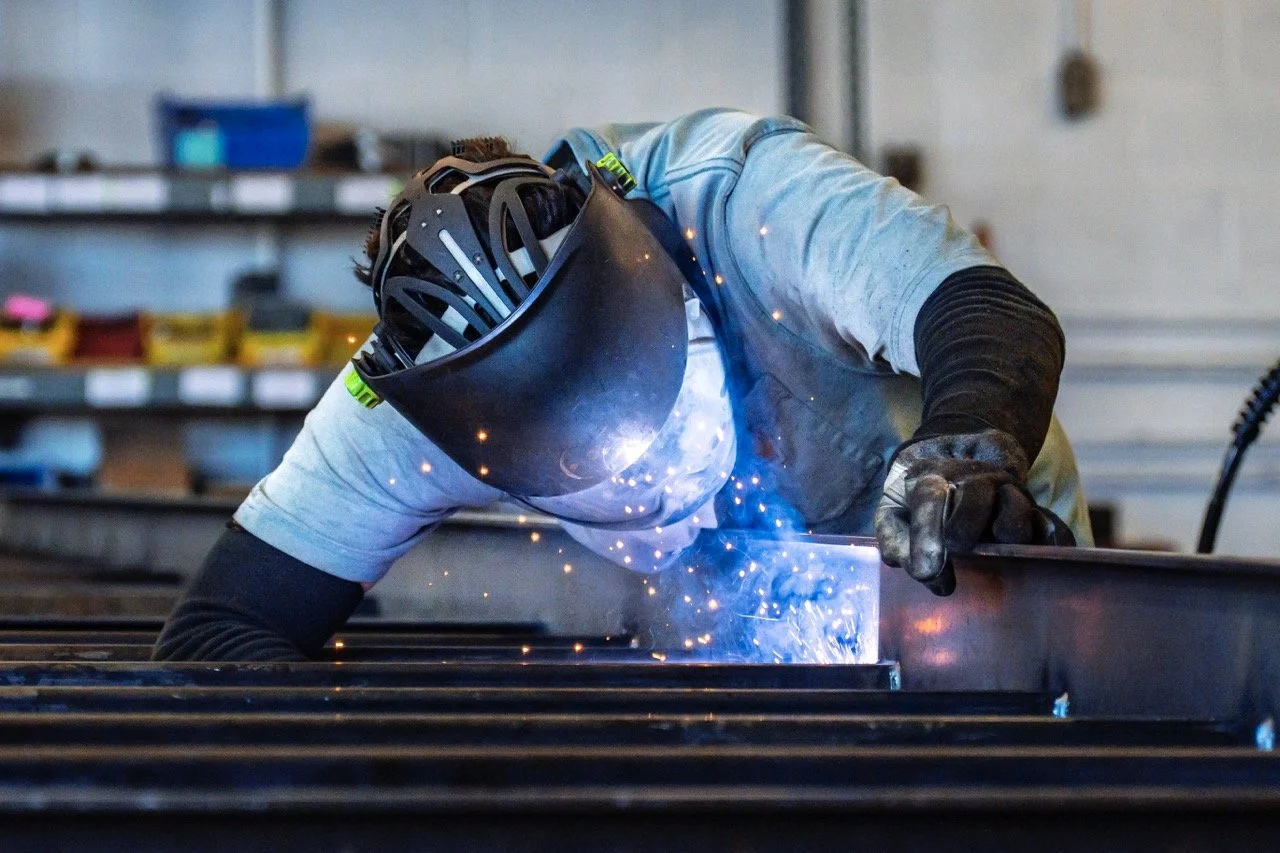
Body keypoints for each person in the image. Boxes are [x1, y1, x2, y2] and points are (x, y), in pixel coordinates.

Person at [153, 108, 1090, 663]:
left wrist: (961, 448)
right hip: (741, 635)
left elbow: (986, 312)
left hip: (963, 551)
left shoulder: (743, 194)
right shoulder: (414, 400)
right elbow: (222, 630)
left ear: (647, 258)